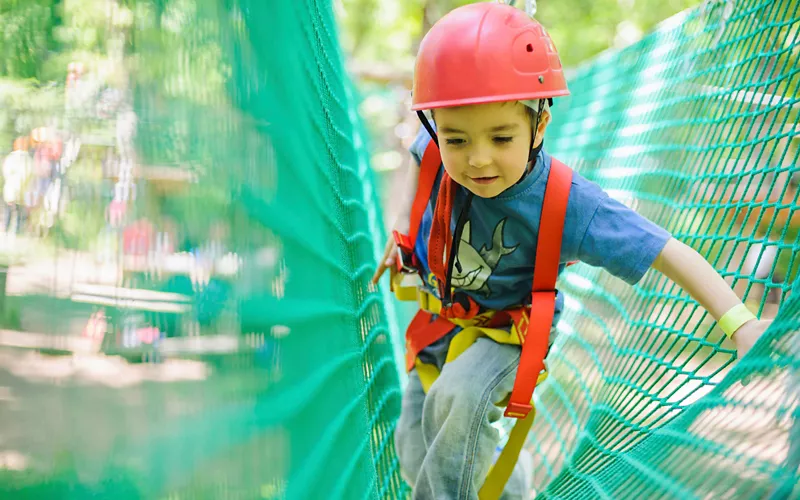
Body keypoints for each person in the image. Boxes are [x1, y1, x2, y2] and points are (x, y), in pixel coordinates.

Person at [369, 3, 772, 499]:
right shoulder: (436, 147)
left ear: (538, 127)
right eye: (457, 139)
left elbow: (668, 250)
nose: (477, 158)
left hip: (506, 333)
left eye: (501, 137)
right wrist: (399, 231)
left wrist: (741, 324)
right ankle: (515, 489)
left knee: (457, 400)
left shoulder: (568, 204)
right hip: (441, 322)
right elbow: (418, 157)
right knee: (416, 450)